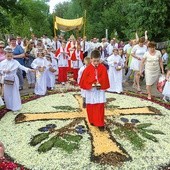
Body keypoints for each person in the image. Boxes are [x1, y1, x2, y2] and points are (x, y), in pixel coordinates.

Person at [79, 50, 110, 131]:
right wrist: (91, 84)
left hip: (99, 91)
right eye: (94, 61)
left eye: (98, 61)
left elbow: (105, 79)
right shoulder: (87, 69)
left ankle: (100, 123)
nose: (96, 63)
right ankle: (92, 120)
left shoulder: (102, 67)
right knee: (91, 106)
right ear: (91, 59)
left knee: (99, 106)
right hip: (91, 91)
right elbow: (83, 81)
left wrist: (101, 85)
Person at [0, 48, 34, 112]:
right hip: (6, 79)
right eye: (8, 56)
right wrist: (4, 71)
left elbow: (22, 67)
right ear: (5, 55)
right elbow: (0, 70)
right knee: (7, 93)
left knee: (14, 92)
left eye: (11, 56)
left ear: (12, 55)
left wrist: (30, 69)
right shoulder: (2, 63)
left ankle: (15, 106)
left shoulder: (15, 62)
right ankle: (9, 106)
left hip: (14, 79)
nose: (9, 57)